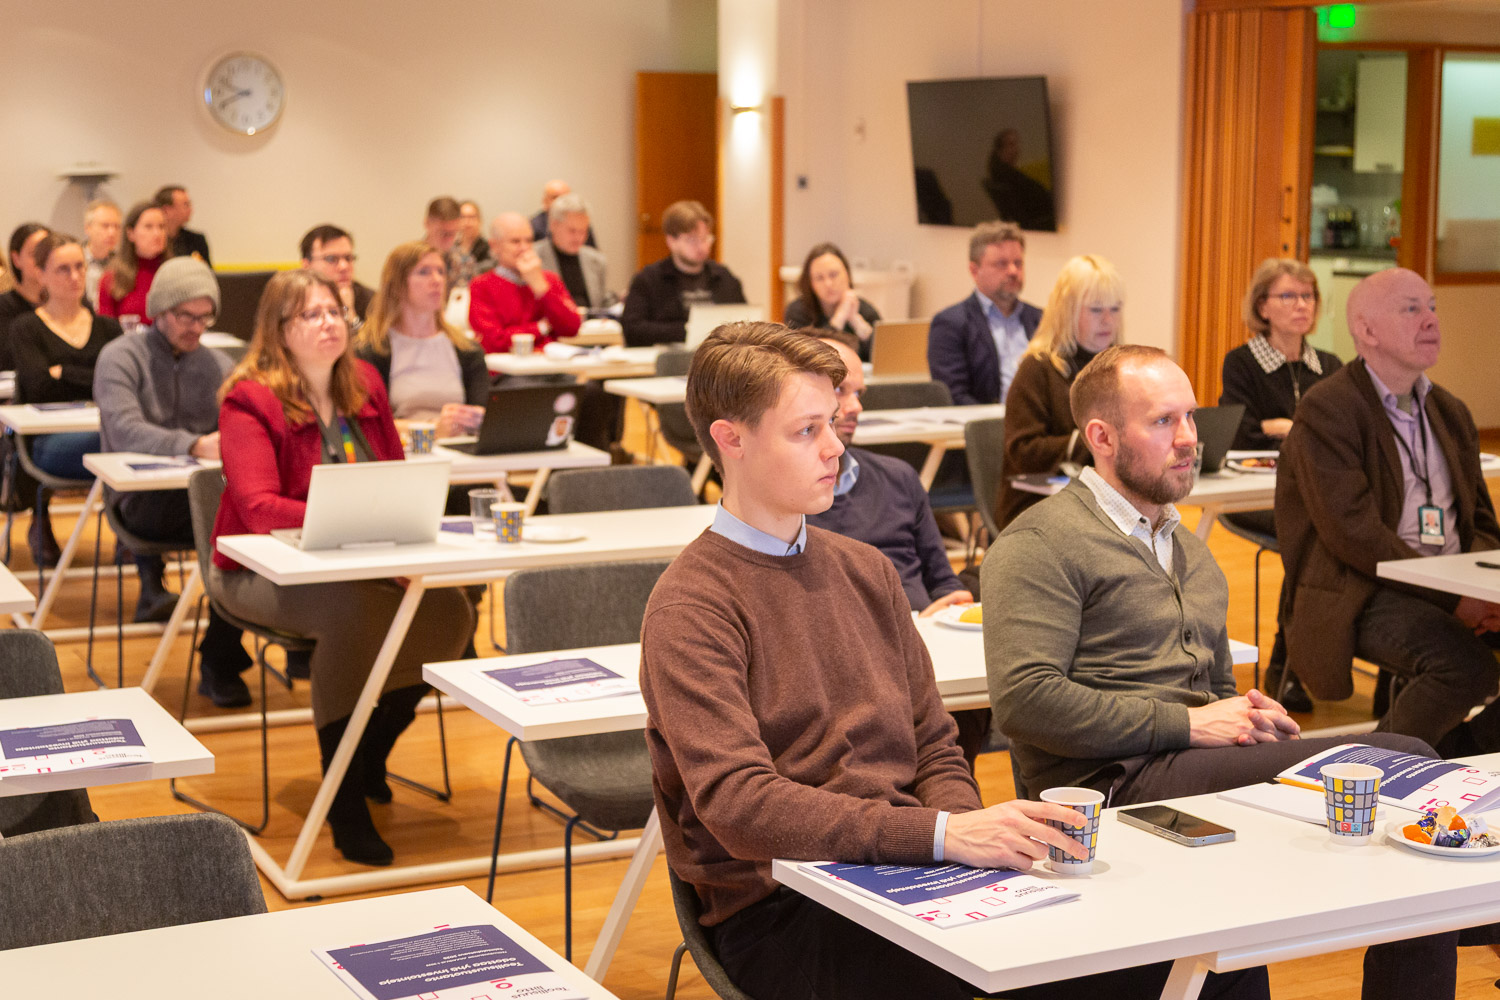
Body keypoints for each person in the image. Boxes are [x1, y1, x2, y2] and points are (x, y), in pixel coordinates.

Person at [641, 324, 1258, 1000]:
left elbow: (934, 744)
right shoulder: (692, 604)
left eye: (832, 423)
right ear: (731, 439)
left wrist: (967, 844)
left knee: (1209, 954)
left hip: (908, 868)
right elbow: (739, 804)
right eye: (806, 430)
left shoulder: (866, 571)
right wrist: (943, 835)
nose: (835, 447)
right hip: (786, 907)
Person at [985, 342, 1481, 1000]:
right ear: (1101, 438)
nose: (1189, 439)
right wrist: (1192, 725)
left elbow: (1213, 694)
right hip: (1113, 784)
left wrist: (1248, 717)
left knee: (1417, 797)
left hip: (1187, 769)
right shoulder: (1038, 543)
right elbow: (1026, 702)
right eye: (1163, 421)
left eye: (1191, 417)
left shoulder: (1190, 551)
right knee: (1409, 759)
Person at [210, 269, 474, 866]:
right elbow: (258, 508)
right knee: (354, 614)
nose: (330, 324)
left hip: (357, 560)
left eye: (336, 313)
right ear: (279, 329)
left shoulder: (366, 387)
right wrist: (345, 518)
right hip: (260, 570)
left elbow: (395, 481)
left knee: (447, 614)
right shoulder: (248, 399)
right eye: (312, 314)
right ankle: (344, 798)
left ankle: (367, 754)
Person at [1278, 267, 1500, 757]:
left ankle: (1455, 754)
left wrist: (1481, 590)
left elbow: (1481, 521)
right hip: (1363, 588)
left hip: (1453, 585)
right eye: (1411, 309)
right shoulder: (1328, 409)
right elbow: (1353, 535)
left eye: (1432, 306)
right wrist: (1454, 598)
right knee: (1464, 665)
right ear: (1367, 330)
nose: (1431, 320)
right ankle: (1369, 771)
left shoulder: (1450, 411)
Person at [807, 330, 989, 766]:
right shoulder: (795, 499)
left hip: (928, 647)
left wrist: (952, 601)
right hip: (849, 660)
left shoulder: (898, 477)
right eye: (841, 392)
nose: (855, 407)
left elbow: (942, 579)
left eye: (859, 393)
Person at [93, 256, 254, 702]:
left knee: (248, 525)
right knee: (236, 527)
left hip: (205, 498)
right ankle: (222, 661)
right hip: (141, 503)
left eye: (205, 317)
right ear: (159, 310)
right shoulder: (120, 357)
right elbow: (125, 429)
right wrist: (194, 445)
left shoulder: (218, 364)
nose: (196, 327)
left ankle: (225, 653)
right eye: (186, 316)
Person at [1219, 258, 1343, 713]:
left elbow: (1343, 435)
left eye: (1308, 296)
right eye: (1288, 296)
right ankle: (1285, 665)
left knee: (1349, 530)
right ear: (1263, 307)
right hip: (1256, 496)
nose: (1301, 305)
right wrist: (1301, 433)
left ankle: (1311, 661)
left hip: (1319, 497)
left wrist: (1283, 428)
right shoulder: (1242, 363)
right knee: (1316, 534)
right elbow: (1240, 436)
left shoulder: (1329, 365)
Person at [10, 233, 121, 566]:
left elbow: (117, 387)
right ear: (40, 274)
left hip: (100, 428)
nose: (75, 276)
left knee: (125, 437)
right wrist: (91, 378)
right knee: (123, 440)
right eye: (63, 269)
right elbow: (39, 387)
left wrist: (63, 373)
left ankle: (133, 532)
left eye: (79, 267)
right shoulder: (26, 328)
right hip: (48, 441)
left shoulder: (108, 328)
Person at [995, 254, 1122, 530]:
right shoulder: (1037, 369)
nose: (1108, 320)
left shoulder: (1122, 368)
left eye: (1115, 309)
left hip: (1103, 503)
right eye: (1096, 310)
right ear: (1067, 311)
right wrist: (1093, 441)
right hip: (1037, 508)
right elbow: (1023, 452)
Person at [354, 241, 486, 437]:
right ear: (397, 285)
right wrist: (433, 429)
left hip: (459, 446)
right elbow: (368, 423)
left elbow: (484, 413)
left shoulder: (467, 349)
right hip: (404, 449)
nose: (437, 280)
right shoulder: (371, 350)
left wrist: (475, 418)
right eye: (424, 272)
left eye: (441, 272)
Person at [927, 220, 1042, 405]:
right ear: (974, 270)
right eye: (1001, 264)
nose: (1013, 271)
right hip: (983, 421)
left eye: (1018, 263)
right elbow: (953, 396)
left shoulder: (1041, 319)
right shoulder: (950, 324)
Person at [620, 200, 745, 347]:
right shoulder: (649, 279)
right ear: (671, 241)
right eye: (692, 240)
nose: (701, 246)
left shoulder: (723, 277)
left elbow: (744, 320)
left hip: (717, 353)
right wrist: (687, 330)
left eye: (705, 238)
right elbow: (632, 329)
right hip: (668, 354)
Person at [467, 212, 581, 353]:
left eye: (529, 241)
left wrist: (542, 289)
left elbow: (572, 328)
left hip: (548, 363)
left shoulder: (549, 280)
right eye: (515, 242)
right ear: (494, 246)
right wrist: (541, 327)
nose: (524, 248)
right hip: (506, 365)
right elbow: (493, 341)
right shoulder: (481, 285)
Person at [783, 243, 881, 361]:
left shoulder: (866, 310)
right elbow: (806, 357)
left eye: (833, 275)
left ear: (847, 274)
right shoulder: (797, 311)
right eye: (819, 278)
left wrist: (856, 321)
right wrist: (839, 317)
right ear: (810, 283)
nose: (828, 284)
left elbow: (884, 356)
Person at [97, 202, 171, 324]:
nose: (157, 233)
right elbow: (106, 327)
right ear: (131, 233)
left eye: (161, 227)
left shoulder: (175, 273)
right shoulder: (113, 277)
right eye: (148, 227)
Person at [533, 193, 607, 310]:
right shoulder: (533, 257)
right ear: (553, 225)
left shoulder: (597, 260)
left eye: (583, 231)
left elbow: (601, 303)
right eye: (572, 231)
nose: (578, 238)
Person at [300, 225, 374, 331]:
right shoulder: (292, 302)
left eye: (348, 258)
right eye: (331, 259)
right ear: (307, 265)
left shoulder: (372, 301)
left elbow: (377, 341)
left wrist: (349, 313)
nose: (344, 266)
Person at [1, 222, 51, 371]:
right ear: (16, 259)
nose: (43, 260)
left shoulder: (67, 302)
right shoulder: (3, 307)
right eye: (35, 253)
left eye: (48, 253)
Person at [529, 179, 596, 247]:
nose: (561, 201)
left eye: (565, 197)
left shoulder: (581, 223)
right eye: (555, 197)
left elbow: (592, 250)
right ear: (545, 201)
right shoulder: (532, 227)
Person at [153, 185, 211, 266]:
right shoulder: (154, 241)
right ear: (167, 210)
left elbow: (207, 272)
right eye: (186, 205)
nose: (190, 210)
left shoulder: (196, 240)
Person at [82, 199, 122, 308]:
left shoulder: (122, 264)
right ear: (88, 228)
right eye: (105, 226)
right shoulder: (77, 260)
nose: (112, 232)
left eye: (116, 226)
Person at [449, 199, 493, 289]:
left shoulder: (489, 249)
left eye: (472, 217)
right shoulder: (450, 249)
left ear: (479, 220)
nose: (467, 222)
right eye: (462, 217)